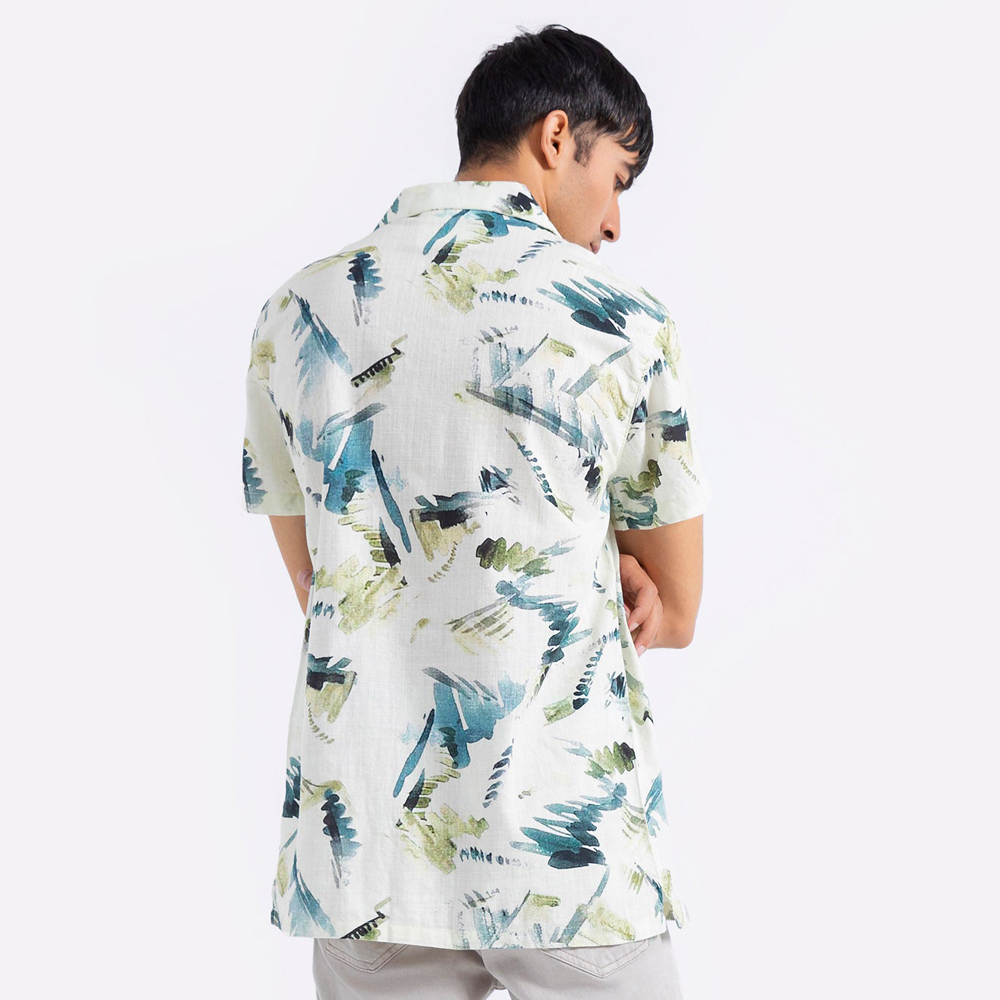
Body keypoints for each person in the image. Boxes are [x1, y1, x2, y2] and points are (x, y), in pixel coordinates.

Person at [241, 22, 713, 1000]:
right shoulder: (622, 322)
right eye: (617, 178)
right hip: (564, 849)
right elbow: (672, 610)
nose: (614, 222)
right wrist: (597, 556)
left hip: (370, 853)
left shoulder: (297, 312)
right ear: (556, 137)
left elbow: (321, 580)